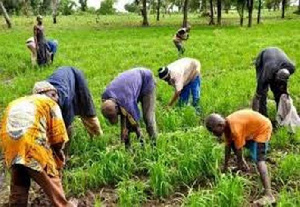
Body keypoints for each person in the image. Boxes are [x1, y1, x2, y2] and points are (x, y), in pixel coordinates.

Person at [0, 93, 78, 207]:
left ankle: (17, 203)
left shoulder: (19, 101)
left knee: (19, 174)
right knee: (51, 175)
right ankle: (64, 205)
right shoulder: (50, 103)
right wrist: (59, 156)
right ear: (50, 94)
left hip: (8, 141)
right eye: (55, 94)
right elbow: (58, 137)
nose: (57, 97)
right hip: (31, 143)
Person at [205, 109, 276, 206]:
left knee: (259, 160)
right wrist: (224, 168)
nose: (214, 134)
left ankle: (269, 195)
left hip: (263, 128)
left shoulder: (235, 128)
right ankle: (243, 166)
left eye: (213, 131)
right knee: (233, 143)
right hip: (252, 130)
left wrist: (239, 166)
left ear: (220, 125)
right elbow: (228, 146)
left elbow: (239, 150)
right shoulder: (227, 126)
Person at [33, 67, 103, 138]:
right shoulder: (36, 105)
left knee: (87, 110)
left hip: (76, 77)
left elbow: (67, 128)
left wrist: (63, 148)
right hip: (64, 82)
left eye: (54, 96)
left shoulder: (63, 100)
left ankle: (97, 137)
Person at [101, 68, 157, 147]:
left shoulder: (127, 103)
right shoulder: (105, 96)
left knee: (148, 118)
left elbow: (135, 121)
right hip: (130, 86)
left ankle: (154, 144)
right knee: (127, 119)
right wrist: (123, 134)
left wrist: (140, 137)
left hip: (146, 80)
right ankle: (127, 146)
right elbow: (123, 112)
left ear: (117, 107)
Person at [252, 47, 296, 117]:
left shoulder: (291, 68)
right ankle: (263, 116)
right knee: (262, 93)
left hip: (276, 57)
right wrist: (254, 112)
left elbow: (283, 85)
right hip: (262, 59)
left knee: (279, 92)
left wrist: (284, 93)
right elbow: (258, 96)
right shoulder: (266, 74)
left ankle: (281, 115)